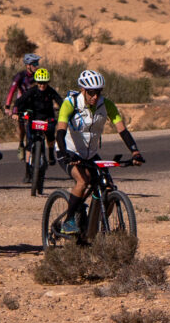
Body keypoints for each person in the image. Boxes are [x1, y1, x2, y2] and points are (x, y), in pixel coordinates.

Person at [54, 70, 145, 234]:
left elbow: (122, 130)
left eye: (98, 92)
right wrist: (64, 153)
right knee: (82, 181)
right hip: (68, 150)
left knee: (107, 186)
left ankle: (93, 225)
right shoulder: (70, 103)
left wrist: (135, 152)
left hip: (90, 153)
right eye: (91, 92)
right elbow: (60, 130)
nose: (95, 97)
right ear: (82, 90)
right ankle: (69, 220)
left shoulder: (107, 105)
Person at [13, 67, 62, 180]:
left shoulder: (50, 91)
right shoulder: (32, 91)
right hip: (34, 117)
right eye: (40, 83)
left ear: (47, 82)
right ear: (36, 82)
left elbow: (60, 101)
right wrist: (16, 112)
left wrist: (65, 109)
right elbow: (20, 101)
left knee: (50, 133)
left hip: (47, 118)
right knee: (29, 143)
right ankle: (27, 171)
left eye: (44, 83)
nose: (42, 85)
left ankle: (50, 153)